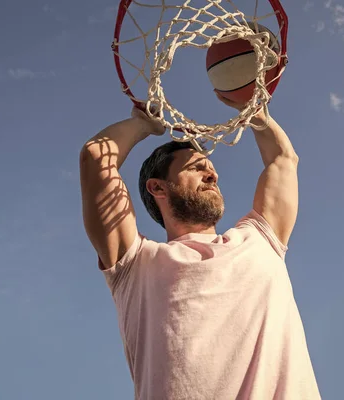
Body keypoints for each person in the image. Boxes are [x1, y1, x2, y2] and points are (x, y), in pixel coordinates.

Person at [79, 93, 321, 399]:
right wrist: (142, 124)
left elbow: (283, 159)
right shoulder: (136, 264)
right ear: (157, 187)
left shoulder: (260, 239)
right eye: (196, 167)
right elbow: (96, 158)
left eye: (210, 168)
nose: (213, 174)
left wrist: (258, 115)